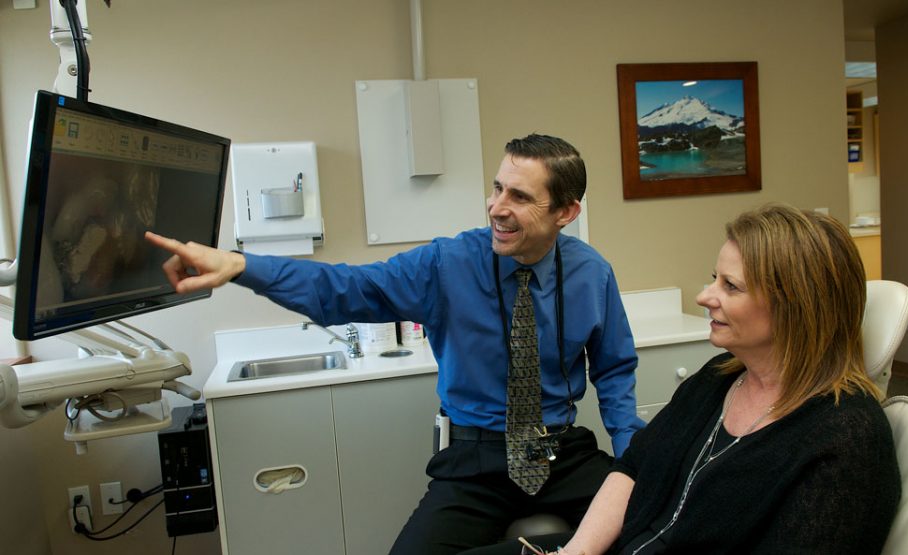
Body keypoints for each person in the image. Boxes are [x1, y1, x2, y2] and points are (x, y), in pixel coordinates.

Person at [145, 134, 644, 555]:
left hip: (562, 454)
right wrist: (241, 267)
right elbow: (344, 289)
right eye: (496, 189)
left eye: (519, 196)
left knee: (653, 524)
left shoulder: (591, 272)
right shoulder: (446, 265)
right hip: (478, 463)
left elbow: (614, 369)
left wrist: (632, 456)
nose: (497, 208)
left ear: (566, 211)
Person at [464, 203, 901, 555]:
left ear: (796, 309)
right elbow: (635, 466)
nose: (704, 296)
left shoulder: (847, 439)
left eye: (731, 286)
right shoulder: (719, 379)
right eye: (716, 278)